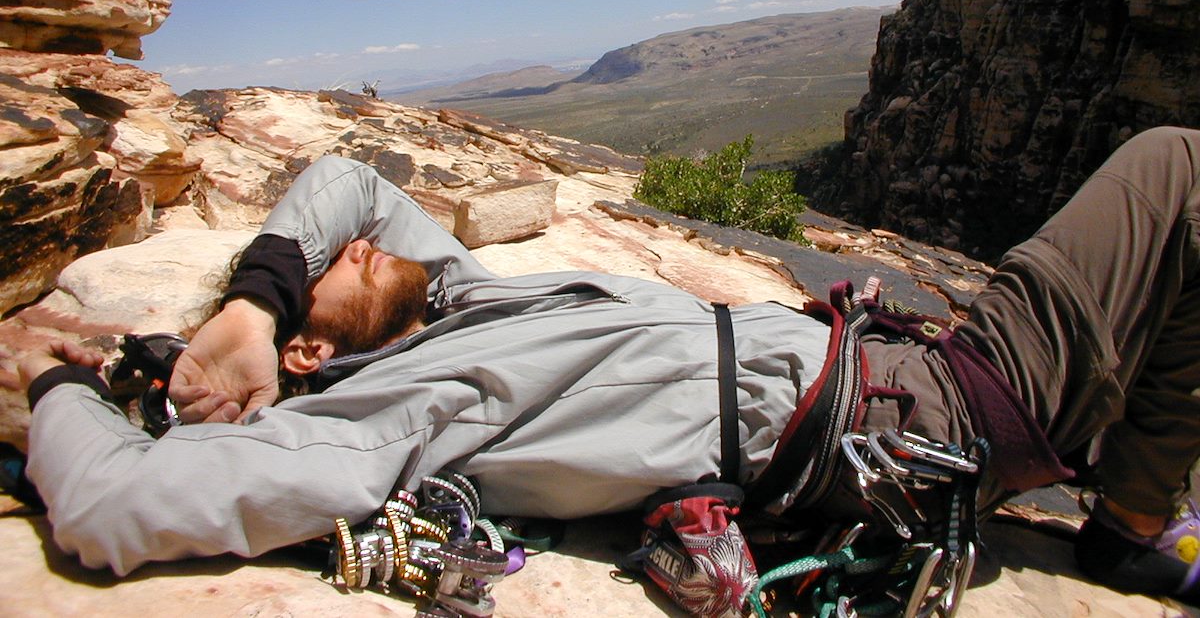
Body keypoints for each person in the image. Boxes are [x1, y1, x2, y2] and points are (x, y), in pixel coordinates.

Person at [17, 127, 1200, 604]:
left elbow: (349, 180)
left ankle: (1132, 511)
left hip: (901, 369)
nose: (363, 243)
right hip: (927, 412)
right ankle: (1135, 516)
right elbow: (118, 507)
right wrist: (53, 392)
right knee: (1181, 167)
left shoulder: (457, 300)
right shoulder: (398, 411)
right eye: (335, 270)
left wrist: (254, 298)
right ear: (322, 351)